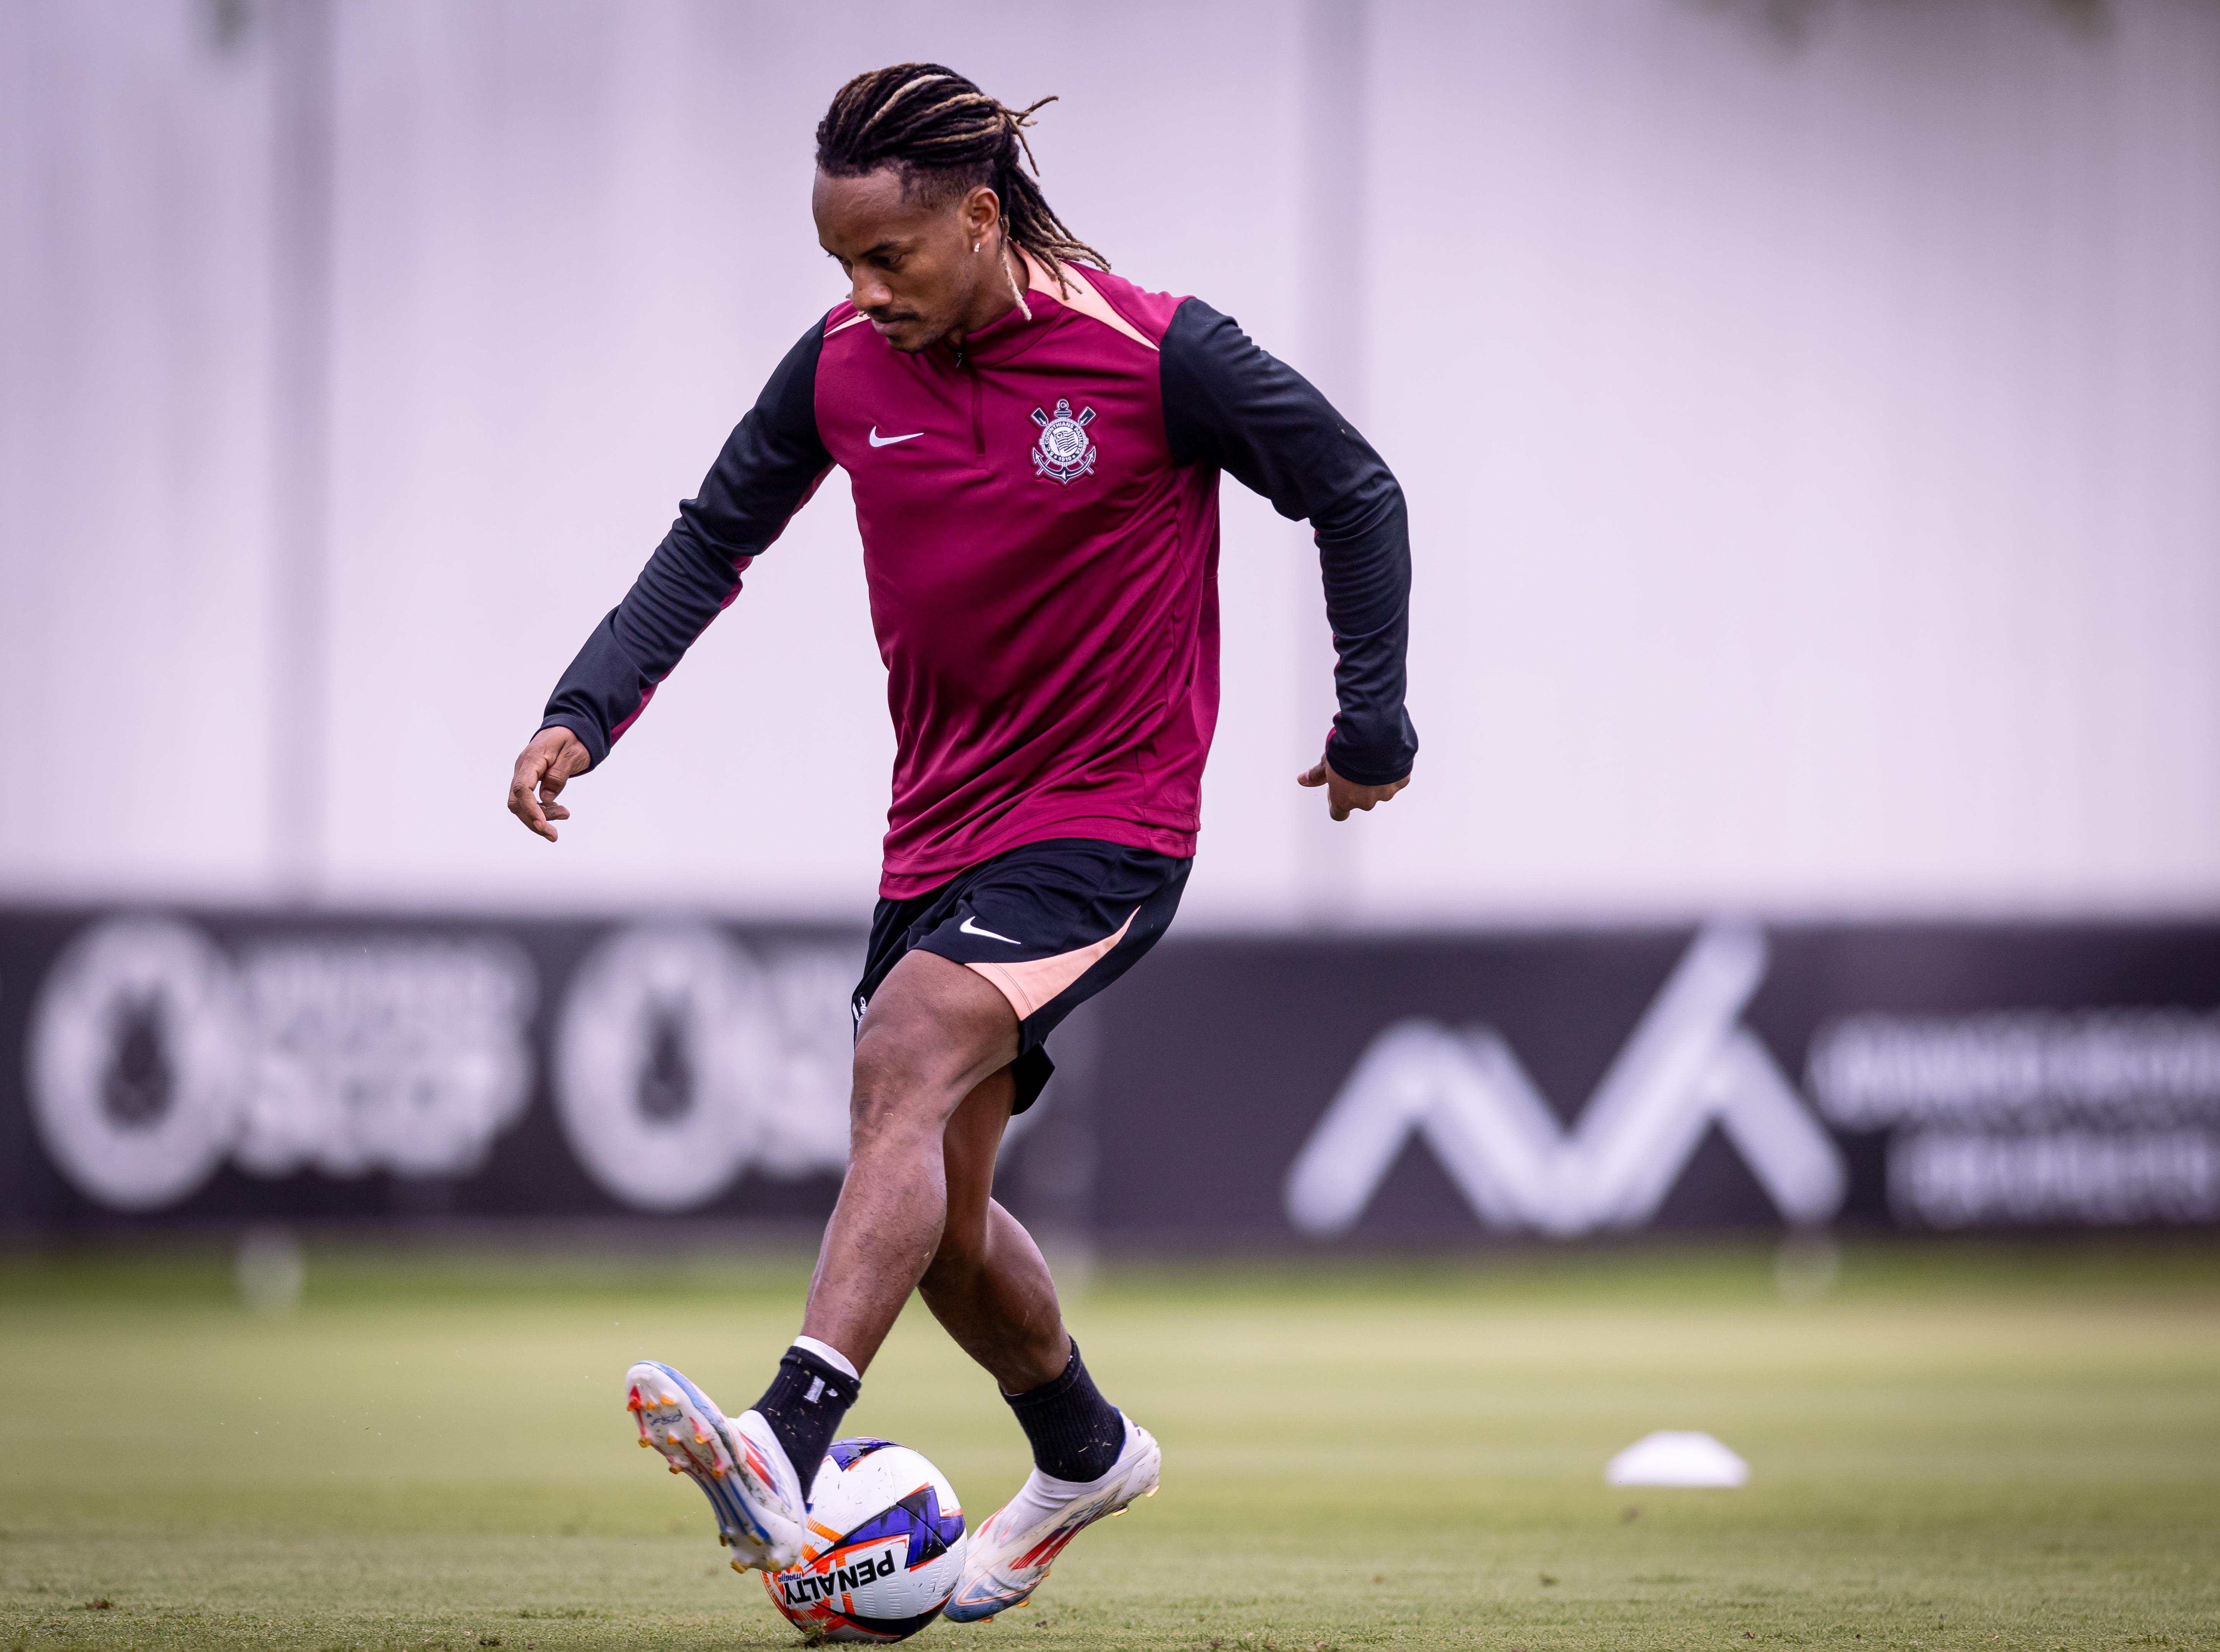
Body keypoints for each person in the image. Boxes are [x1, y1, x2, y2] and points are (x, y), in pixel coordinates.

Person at [505, 62, 1415, 1626]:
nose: (862, 295)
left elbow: (1353, 484)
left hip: (1110, 814)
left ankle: (786, 1437)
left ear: (980, 219)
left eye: (887, 259)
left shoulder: (1153, 350)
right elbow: (714, 533)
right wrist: (589, 703)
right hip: (939, 826)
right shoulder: (844, 364)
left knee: (902, 1049)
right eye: (839, 266)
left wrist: (1373, 718)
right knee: (934, 1211)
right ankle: (1084, 1446)